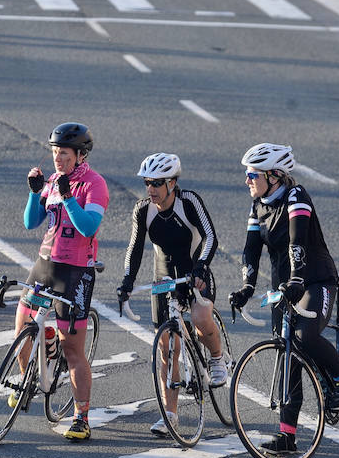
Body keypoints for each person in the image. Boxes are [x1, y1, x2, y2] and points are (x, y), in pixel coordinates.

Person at [227, 143, 339, 454]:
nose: (247, 180)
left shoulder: (297, 197)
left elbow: (297, 240)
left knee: (302, 336)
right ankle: (287, 436)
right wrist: (246, 286)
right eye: (247, 174)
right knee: (289, 355)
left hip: (315, 281)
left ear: (273, 176)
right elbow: (250, 251)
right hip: (285, 286)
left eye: (252, 174)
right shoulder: (258, 206)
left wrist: (298, 278)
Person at [116, 153, 226, 437]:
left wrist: (201, 267)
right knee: (166, 349)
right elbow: (134, 248)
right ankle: (171, 415)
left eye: (157, 183)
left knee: (201, 318)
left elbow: (211, 237)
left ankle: (216, 357)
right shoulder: (143, 210)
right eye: (147, 183)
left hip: (194, 272)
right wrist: (127, 281)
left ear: (172, 183)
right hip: (164, 279)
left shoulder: (188, 202)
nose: (150, 188)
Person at [16, 122, 109, 441]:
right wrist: (33, 194)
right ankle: (27, 380)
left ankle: (81, 416)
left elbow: (88, 227)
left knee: (72, 350)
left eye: (64, 154)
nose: (58, 159)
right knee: (22, 328)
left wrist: (69, 198)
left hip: (75, 272)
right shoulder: (53, 180)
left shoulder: (95, 185)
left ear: (81, 155)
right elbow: (31, 222)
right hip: (45, 265)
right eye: (55, 153)